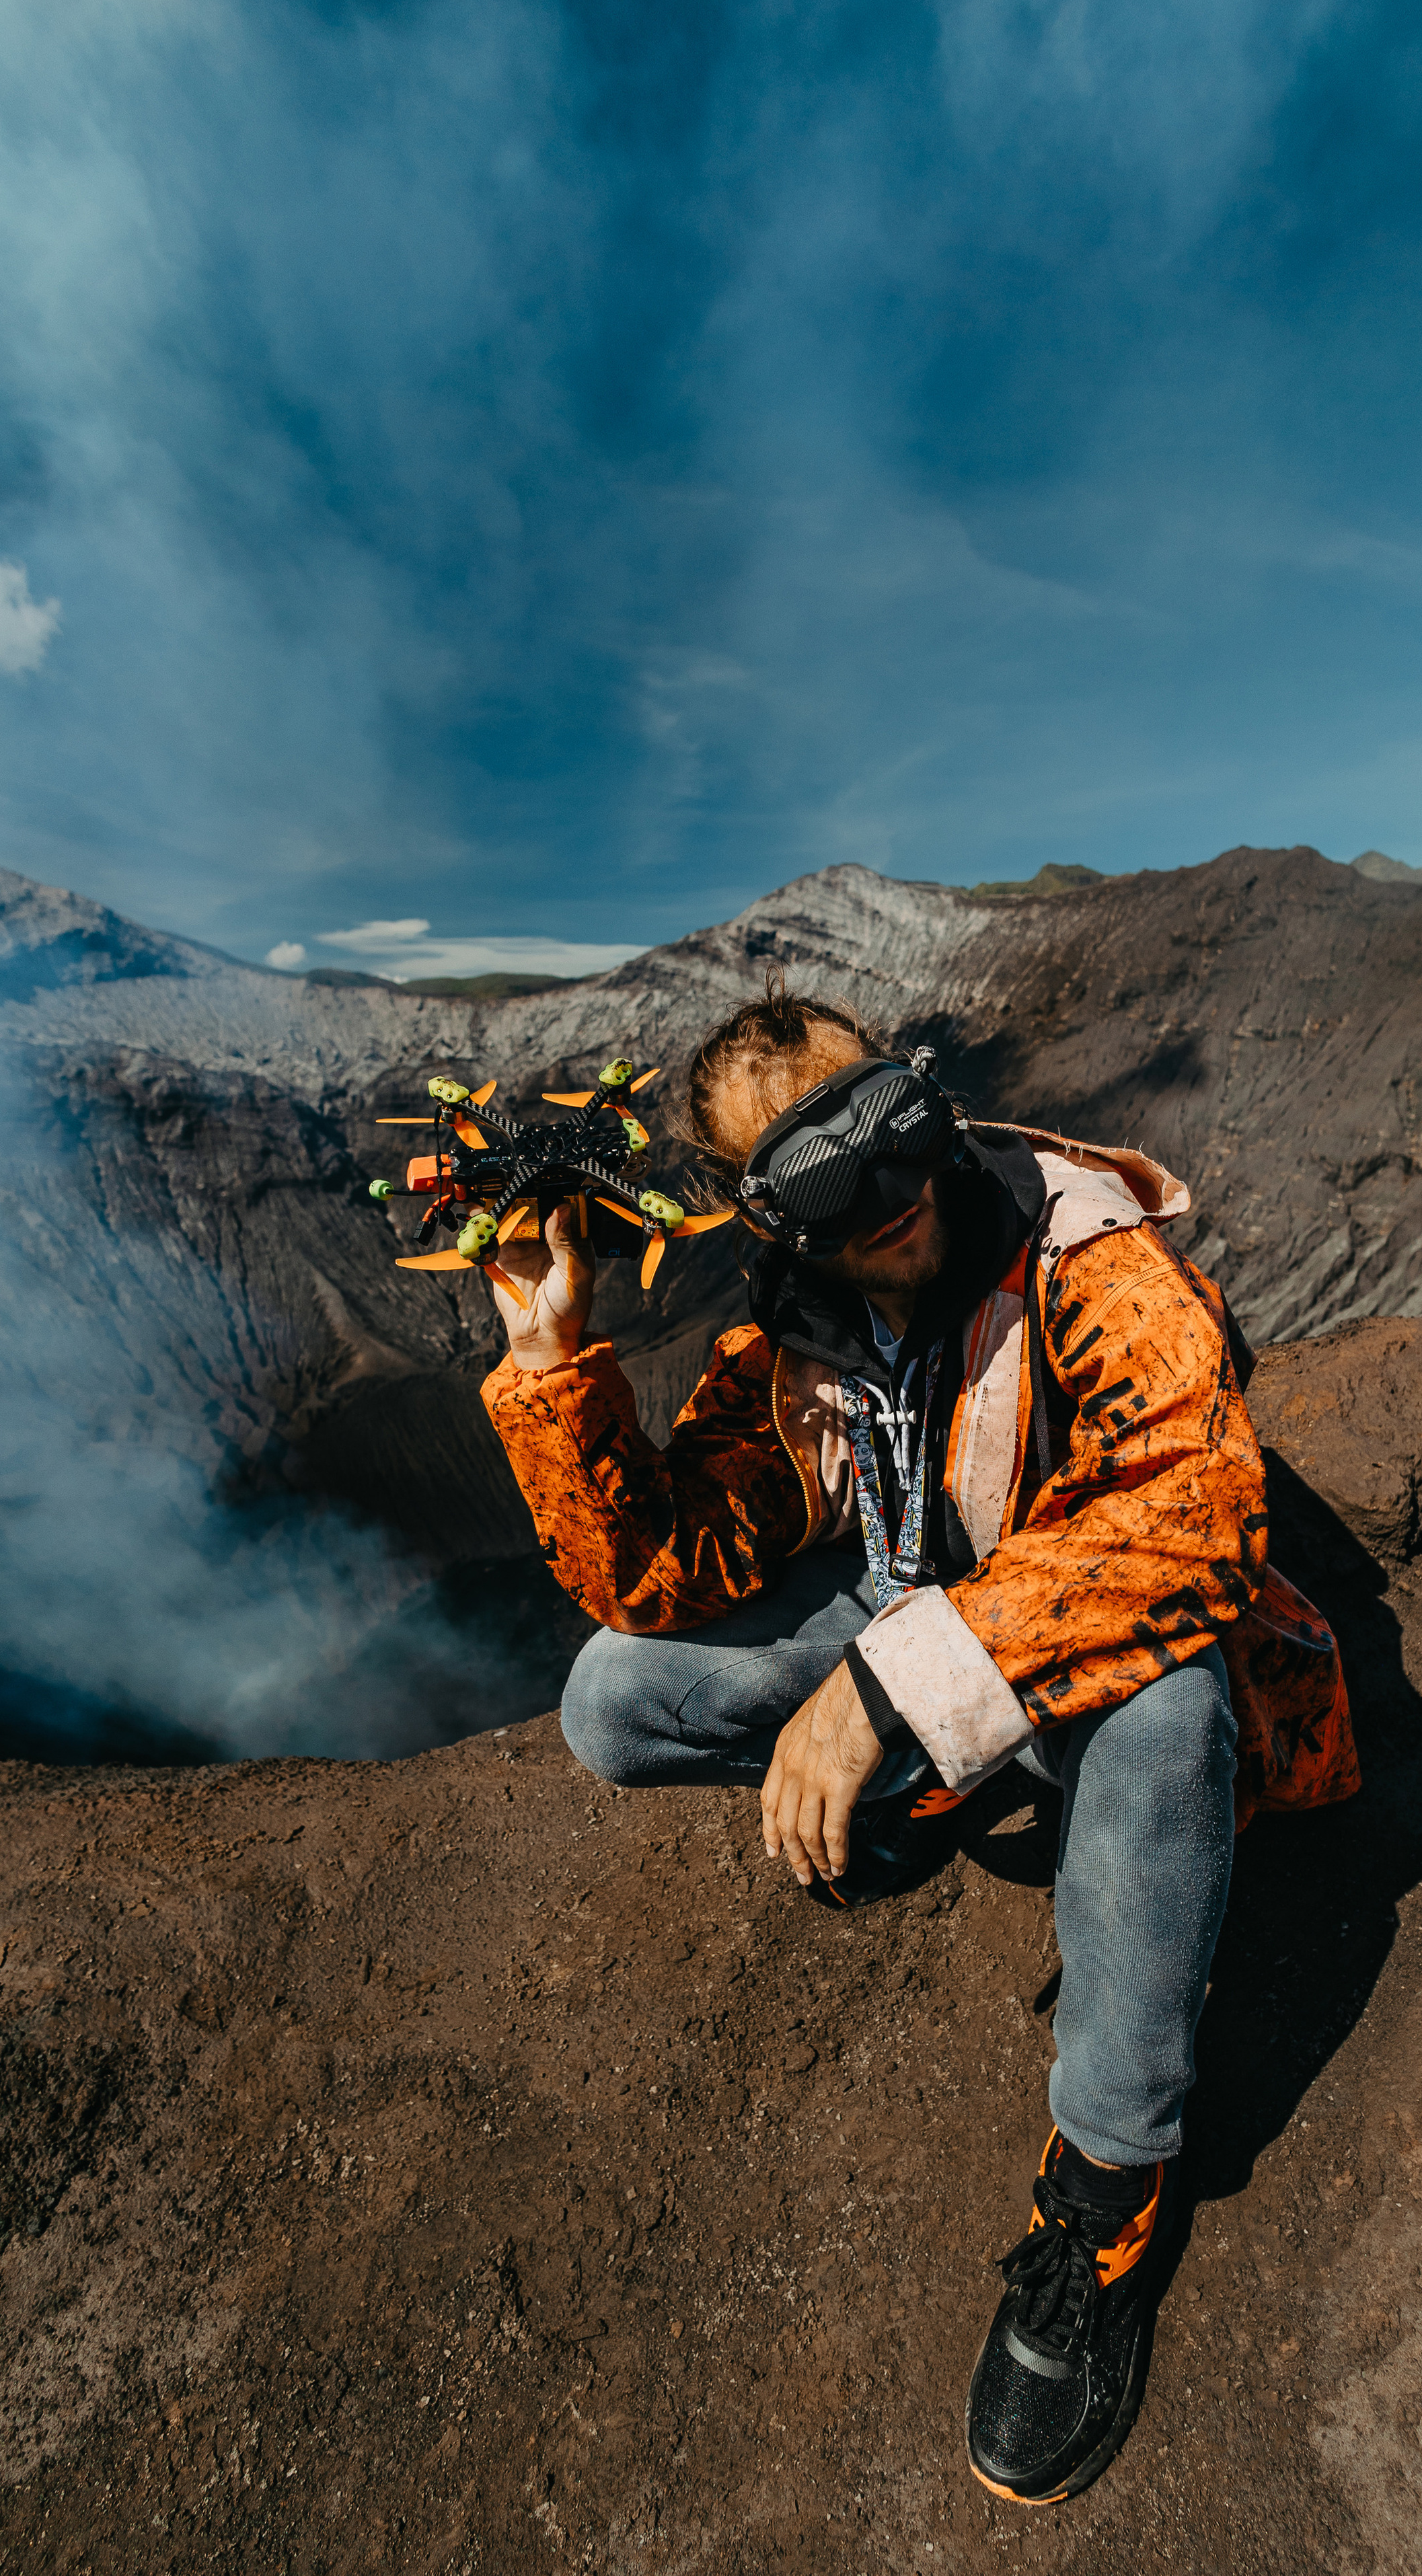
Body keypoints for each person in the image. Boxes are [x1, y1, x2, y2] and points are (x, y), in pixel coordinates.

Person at [478, 979, 1359, 2508]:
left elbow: (1193, 1514)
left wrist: (884, 1691)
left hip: (1053, 1651)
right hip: (926, 1632)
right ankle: (937, 1786)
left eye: (894, 1132)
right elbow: (666, 1570)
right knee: (611, 1701)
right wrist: (557, 1365)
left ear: (919, 1100)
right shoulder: (788, 1329)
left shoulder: (1088, 1254)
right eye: (829, 1181)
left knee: (1166, 1703)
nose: (890, 1197)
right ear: (769, 1215)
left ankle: (1104, 2196)